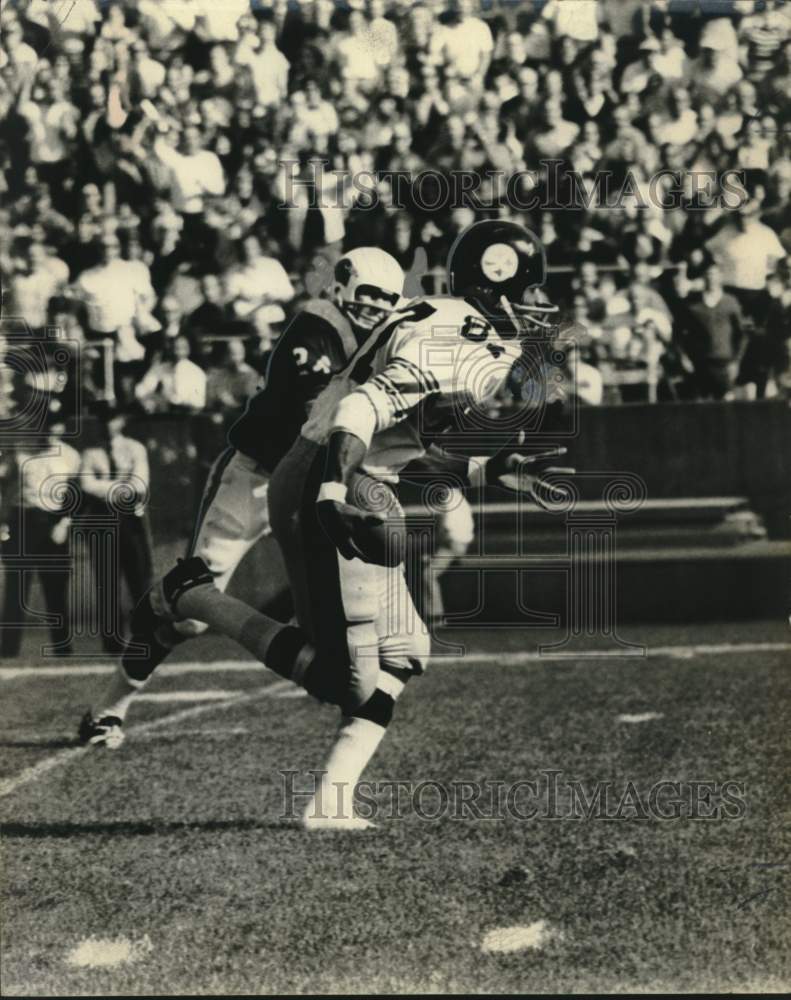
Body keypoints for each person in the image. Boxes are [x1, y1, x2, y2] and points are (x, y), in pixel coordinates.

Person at [117, 222, 573, 831]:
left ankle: (331, 802)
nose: (540, 305)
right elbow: (360, 412)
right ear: (496, 278)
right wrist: (333, 488)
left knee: (405, 654)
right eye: (531, 288)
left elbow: (404, 440)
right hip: (331, 480)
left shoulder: (437, 313)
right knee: (343, 680)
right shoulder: (463, 336)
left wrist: (495, 468)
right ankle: (194, 596)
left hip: (347, 474)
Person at [78, 247, 407, 750]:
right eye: (367, 295)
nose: (375, 307)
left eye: (387, 300)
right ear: (341, 288)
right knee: (187, 615)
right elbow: (317, 416)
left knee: (353, 613)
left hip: (320, 486)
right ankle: (109, 707)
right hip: (259, 476)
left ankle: (348, 703)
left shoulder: (384, 338)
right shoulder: (316, 329)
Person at [1, 417, 81, 657]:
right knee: (16, 588)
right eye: (45, 426)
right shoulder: (19, 452)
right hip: (22, 521)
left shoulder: (71, 456)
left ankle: (62, 647)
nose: (49, 432)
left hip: (53, 524)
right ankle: (8, 649)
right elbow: (5, 488)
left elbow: (76, 495)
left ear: (63, 428)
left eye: (55, 425)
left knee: (56, 588)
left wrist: (65, 523)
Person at [78, 405, 153, 652]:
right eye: (103, 420)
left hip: (130, 519)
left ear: (121, 421)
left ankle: (147, 637)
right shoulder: (90, 453)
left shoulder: (135, 448)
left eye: (112, 420)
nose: (107, 425)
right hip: (102, 520)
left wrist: (108, 488)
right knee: (107, 581)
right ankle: (112, 643)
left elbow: (140, 483)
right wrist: (118, 488)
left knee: (139, 579)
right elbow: (87, 484)